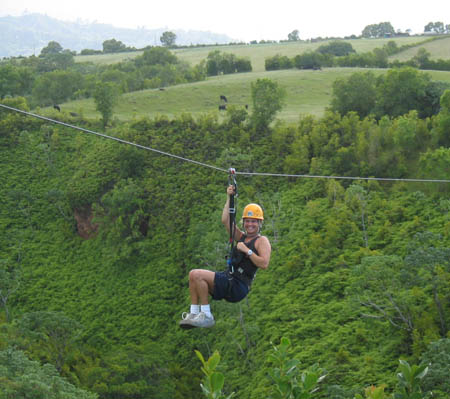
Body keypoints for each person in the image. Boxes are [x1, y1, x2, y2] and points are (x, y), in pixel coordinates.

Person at [179, 185, 271, 328]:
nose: (250, 224)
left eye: (253, 221)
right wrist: (229, 197)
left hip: (238, 284)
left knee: (197, 274)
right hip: (229, 277)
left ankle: (206, 315)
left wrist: (248, 251)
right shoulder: (241, 237)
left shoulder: (261, 241)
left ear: (259, 223)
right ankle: (194, 313)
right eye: (247, 221)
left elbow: (264, 263)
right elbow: (225, 221)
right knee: (192, 276)